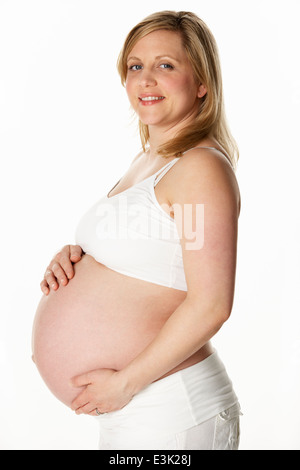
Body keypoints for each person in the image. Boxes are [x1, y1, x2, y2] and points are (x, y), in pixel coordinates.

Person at [35, 10, 242, 450]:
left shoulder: (199, 168)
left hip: (168, 409)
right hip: (139, 412)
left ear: (201, 82)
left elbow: (211, 304)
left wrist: (125, 384)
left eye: (165, 65)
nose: (146, 80)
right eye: (135, 66)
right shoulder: (150, 161)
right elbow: (154, 250)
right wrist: (79, 256)